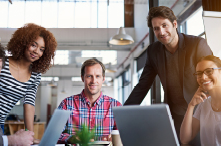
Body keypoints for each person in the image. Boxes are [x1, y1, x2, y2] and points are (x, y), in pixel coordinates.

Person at [124, 6, 212, 140]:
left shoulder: (197, 44)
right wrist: (123, 114)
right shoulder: (154, 51)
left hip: (201, 116)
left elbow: (213, 78)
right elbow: (142, 86)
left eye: (165, 25)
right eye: (156, 28)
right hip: (175, 118)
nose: (161, 32)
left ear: (174, 24)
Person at [0, 23, 57, 137]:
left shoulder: (35, 75)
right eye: (33, 45)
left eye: (42, 49)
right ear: (23, 42)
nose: (37, 51)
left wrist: (30, 136)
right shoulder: (2, 62)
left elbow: (29, 105)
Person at [57, 59, 122, 144]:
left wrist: (116, 138)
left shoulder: (116, 106)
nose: (93, 81)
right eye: (89, 76)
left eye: (98, 76)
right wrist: (71, 138)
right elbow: (54, 134)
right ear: (82, 78)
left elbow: (125, 135)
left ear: (103, 79)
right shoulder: (66, 104)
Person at [180, 55, 221, 146]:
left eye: (209, 71)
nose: (203, 77)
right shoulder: (204, 104)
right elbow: (185, 139)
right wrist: (191, 105)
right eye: (199, 73)